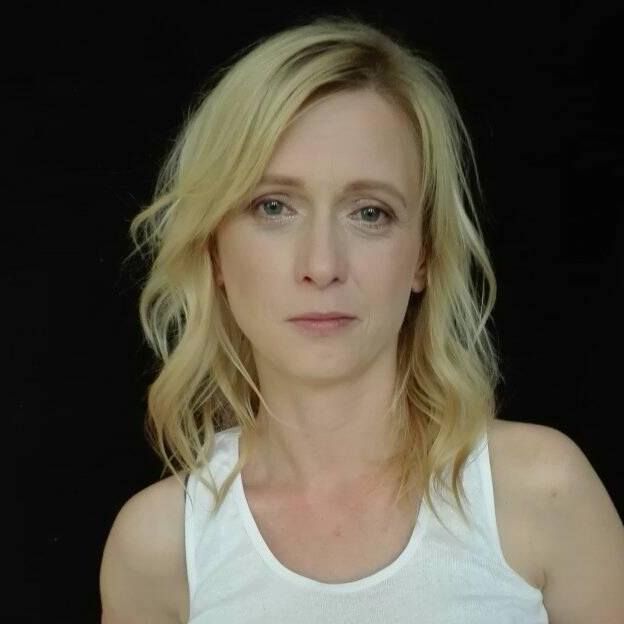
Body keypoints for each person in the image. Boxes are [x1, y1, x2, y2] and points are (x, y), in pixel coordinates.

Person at [99, 14, 624, 624]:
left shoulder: (541, 492)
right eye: (274, 207)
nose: (322, 265)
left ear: (424, 254)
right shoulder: (162, 546)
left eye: (370, 212)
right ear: (214, 249)